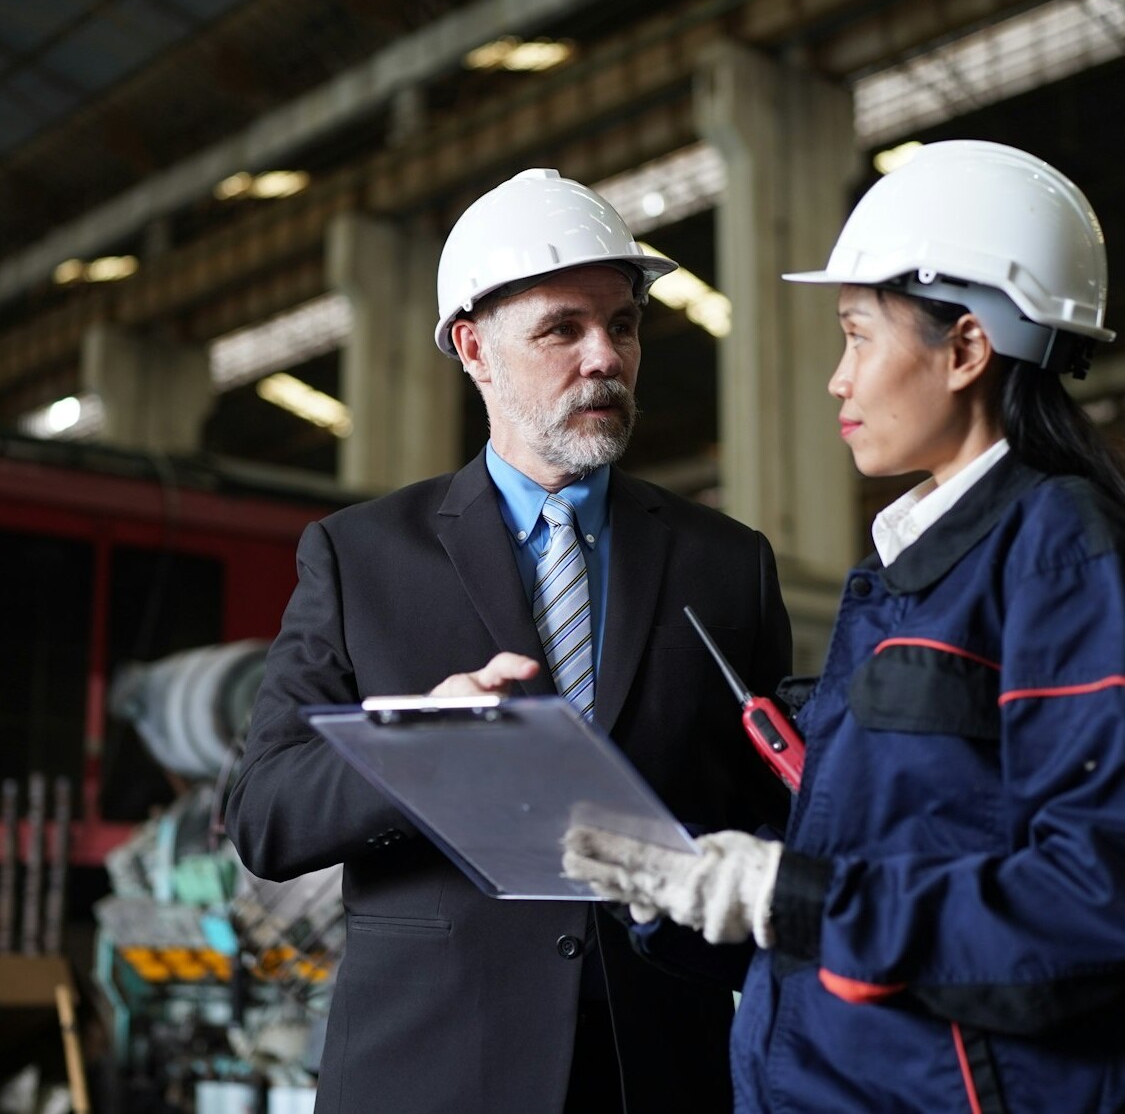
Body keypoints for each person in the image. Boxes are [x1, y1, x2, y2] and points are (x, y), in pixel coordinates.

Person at [563, 140, 1125, 1113]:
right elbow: (881, 858)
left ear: (964, 349)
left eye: (859, 336)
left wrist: (788, 896)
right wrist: (695, 885)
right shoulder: (908, 571)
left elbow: (1094, 904)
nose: (837, 378)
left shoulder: (1060, 557)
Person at [225, 167, 793, 1113]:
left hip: (656, 1068)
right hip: (429, 1068)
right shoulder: (360, 556)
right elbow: (266, 816)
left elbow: (774, 815)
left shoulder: (725, 564)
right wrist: (416, 749)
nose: (604, 356)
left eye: (623, 323)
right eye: (562, 329)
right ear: (472, 346)